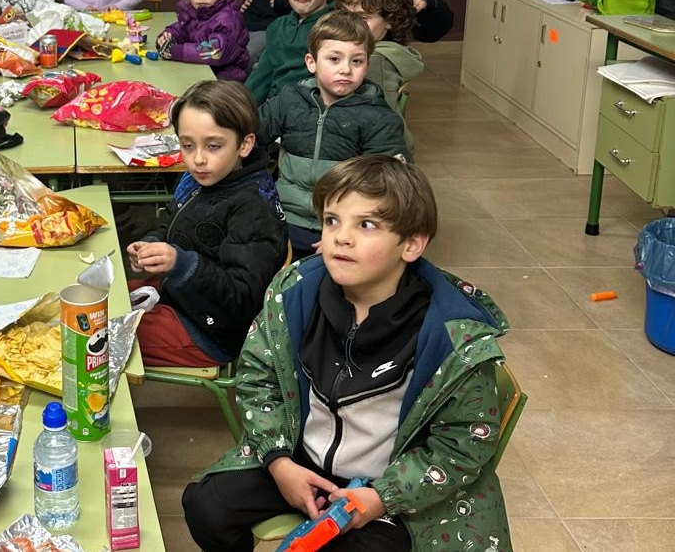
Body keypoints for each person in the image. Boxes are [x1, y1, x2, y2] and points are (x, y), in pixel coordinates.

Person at [182, 155, 514, 552]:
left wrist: (381, 497)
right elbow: (258, 375)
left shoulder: (451, 335)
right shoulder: (294, 291)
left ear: (411, 244)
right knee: (207, 506)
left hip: (389, 491)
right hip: (300, 460)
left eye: (366, 224)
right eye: (332, 220)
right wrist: (279, 462)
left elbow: (462, 444)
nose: (341, 237)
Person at [125, 80, 288, 367]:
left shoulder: (253, 210)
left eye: (213, 146)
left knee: (96, 336)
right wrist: (153, 244)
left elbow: (243, 300)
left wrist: (180, 263)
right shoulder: (203, 177)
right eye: (187, 145)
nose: (198, 159)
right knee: (94, 300)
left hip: (207, 331)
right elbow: (177, 225)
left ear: (245, 144)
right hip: (178, 295)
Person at [256, 10, 409, 259]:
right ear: (311, 62)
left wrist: (344, 231)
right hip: (282, 216)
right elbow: (251, 134)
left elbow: (387, 186)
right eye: (334, 59)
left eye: (357, 61)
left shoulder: (378, 118)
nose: (346, 69)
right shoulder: (290, 100)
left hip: (340, 226)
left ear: (367, 65)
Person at [245, 0, 335, 108]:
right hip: (272, 108)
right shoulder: (278, 26)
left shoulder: (336, 26)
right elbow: (261, 76)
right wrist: (240, 109)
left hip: (307, 110)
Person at [333, 0, 424, 109]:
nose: (349, 23)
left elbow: (377, 120)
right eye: (344, 13)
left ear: (390, 20)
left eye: (363, 17)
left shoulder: (376, 61)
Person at [155, 0, 249, 82]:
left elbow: (215, 51)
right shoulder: (195, 13)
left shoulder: (228, 18)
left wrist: (174, 51)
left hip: (223, 82)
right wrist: (168, 36)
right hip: (200, 74)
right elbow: (181, 29)